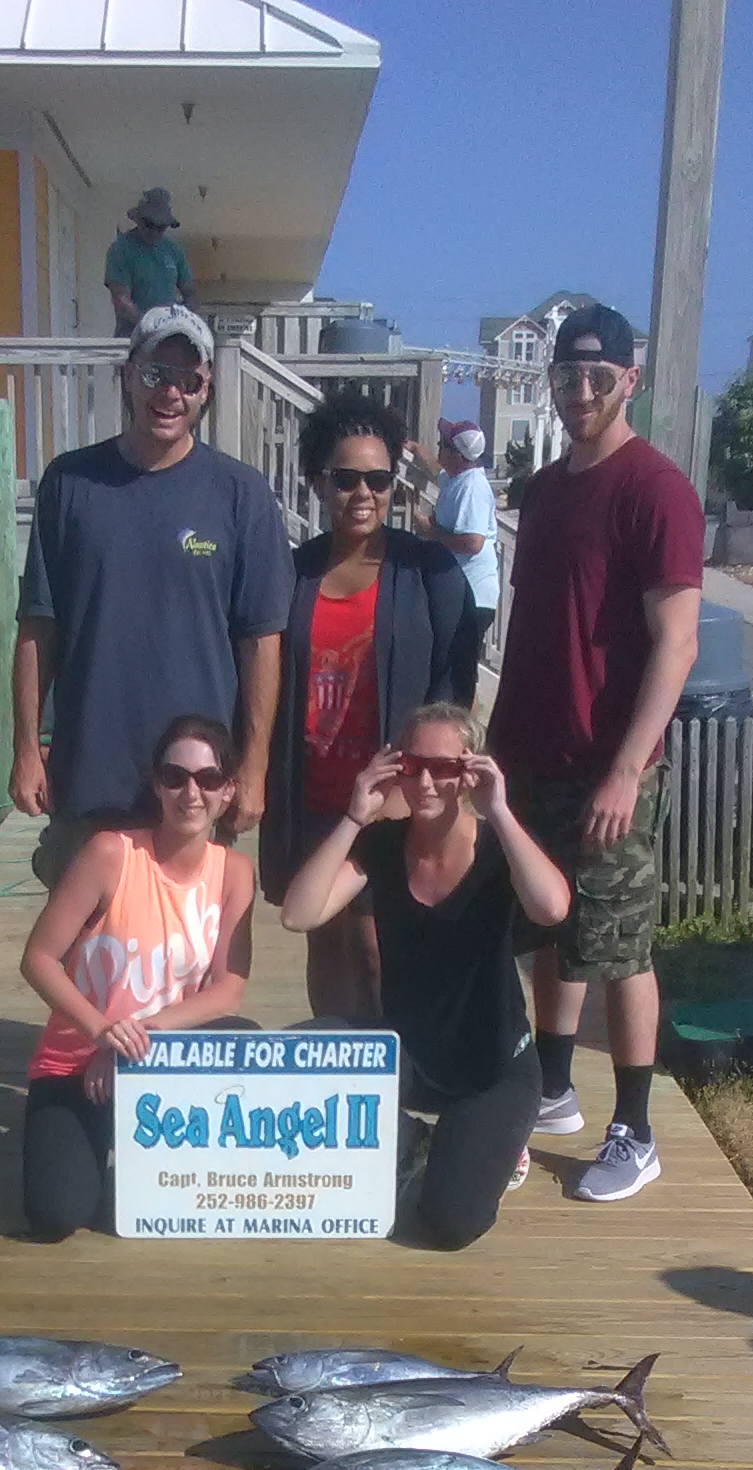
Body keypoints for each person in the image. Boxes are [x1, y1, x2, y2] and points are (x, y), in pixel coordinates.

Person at [485, 301, 702, 1204]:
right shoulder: (542, 490)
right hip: (529, 753)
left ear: (630, 382)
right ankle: (554, 1088)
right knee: (547, 935)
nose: (581, 393)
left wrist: (625, 768)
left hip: (609, 766)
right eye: (567, 378)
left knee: (619, 947)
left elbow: (677, 643)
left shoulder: (657, 490)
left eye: (598, 378)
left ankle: (635, 1129)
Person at [12, 306, 291, 889]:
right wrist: (25, 748)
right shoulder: (68, 483)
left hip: (198, 783)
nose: (171, 393)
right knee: (86, 963)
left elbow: (260, 641)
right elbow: (39, 627)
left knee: (186, 968)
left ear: (206, 389)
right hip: (90, 773)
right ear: (127, 375)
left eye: (189, 381)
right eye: (156, 374)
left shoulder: (243, 495)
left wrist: (256, 767)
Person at [281, 705, 571, 1251]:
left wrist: (501, 813)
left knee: (450, 1222)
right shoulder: (384, 845)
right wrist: (353, 818)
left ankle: (489, 1143)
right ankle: (414, 1140)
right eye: (413, 765)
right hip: (407, 1055)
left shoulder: (496, 849)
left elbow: (552, 908)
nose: (426, 781)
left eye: (444, 767)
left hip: (493, 1067)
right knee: (302, 1051)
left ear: (471, 772)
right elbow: (299, 914)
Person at [262, 396, 477, 1022]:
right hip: (312, 796)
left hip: (397, 801)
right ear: (317, 482)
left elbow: (454, 691)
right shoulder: (291, 573)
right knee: (324, 942)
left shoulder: (429, 572)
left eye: (378, 480)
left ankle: (396, 1080)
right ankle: (337, 1073)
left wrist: (423, 788)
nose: (363, 493)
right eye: (345, 478)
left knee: (379, 946)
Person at [19, 715, 256, 1241]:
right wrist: (102, 1032)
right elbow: (38, 958)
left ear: (228, 790)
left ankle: (137, 1149)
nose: (191, 793)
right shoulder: (111, 853)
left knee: (245, 1036)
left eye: (208, 779)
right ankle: (88, 1140)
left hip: (158, 1060)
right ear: (156, 783)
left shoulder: (235, 872)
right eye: (175, 777)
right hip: (77, 1060)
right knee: (56, 1215)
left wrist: (134, 1039)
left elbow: (228, 989)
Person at [412, 419, 500, 665]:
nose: (439, 448)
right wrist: (418, 450)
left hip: (472, 596)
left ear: (459, 455)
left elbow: (473, 542)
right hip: (460, 592)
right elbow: (435, 470)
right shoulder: (457, 478)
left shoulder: (472, 488)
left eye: (444, 444)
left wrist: (432, 532)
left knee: (456, 670)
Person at [105, 189, 194, 336]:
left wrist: (184, 317)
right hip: (132, 337)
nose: (154, 232)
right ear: (138, 220)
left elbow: (190, 291)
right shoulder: (121, 249)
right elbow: (121, 299)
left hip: (168, 338)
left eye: (161, 227)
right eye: (149, 224)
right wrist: (149, 326)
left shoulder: (173, 250)